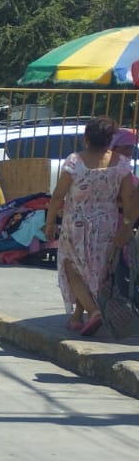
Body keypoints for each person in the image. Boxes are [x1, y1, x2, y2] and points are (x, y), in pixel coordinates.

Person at [45, 115, 138, 336]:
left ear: (86, 139)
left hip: (75, 226)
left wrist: (49, 222)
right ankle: (81, 316)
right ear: (110, 140)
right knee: (98, 271)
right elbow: (129, 201)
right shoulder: (122, 165)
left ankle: (94, 311)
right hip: (106, 225)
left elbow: (58, 195)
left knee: (70, 268)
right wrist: (126, 228)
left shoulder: (75, 162)